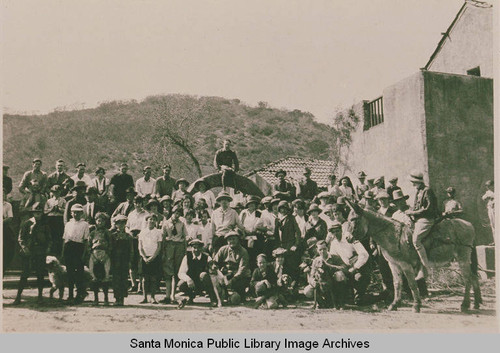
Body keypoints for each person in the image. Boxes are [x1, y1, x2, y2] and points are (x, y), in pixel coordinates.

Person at [13, 203, 51, 305]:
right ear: (33, 213)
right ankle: (18, 297)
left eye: (39, 213)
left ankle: (40, 297)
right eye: (36, 212)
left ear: (42, 213)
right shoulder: (27, 224)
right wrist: (24, 248)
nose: (38, 215)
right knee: (24, 274)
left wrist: (47, 248)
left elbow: (49, 239)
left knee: (40, 274)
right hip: (29, 252)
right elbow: (20, 238)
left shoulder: (44, 225)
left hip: (40, 252)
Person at [327, 220, 370, 305]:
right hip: (346, 269)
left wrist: (355, 267)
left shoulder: (349, 238)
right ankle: (349, 294)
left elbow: (364, 254)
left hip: (359, 268)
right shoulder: (334, 243)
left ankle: (380, 296)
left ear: (341, 230)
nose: (336, 233)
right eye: (333, 232)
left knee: (359, 300)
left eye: (337, 231)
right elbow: (334, 258)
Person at [405, 171, 438, 280]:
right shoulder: (419, 191)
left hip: (427, 219)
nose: (413, 184)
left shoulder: (427, 191)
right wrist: (410, 211)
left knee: (416, 240)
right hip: (419, 219)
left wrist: (413, 213)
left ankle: (426, 268)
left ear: (418, 182)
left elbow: (429, 208)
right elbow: (417, 206)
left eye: (414, 182)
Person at [62, 203, 90, 304]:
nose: (75, 215)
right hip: (69, 248)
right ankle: (70, 295)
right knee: (69, 273)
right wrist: (63, 252)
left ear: (81, 213)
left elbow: (86, 240)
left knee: (79, 273)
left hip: (79, 247)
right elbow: (65, 239)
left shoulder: (85, 224)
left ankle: (79, 294)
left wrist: (84, 254)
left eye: (78, 213)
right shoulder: (68, 224)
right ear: (71, 213)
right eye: (74, 213)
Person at [177, 238, 218, 307]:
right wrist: (188, 279)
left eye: (198, 247)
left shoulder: (207, 257)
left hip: (203, 283)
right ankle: (191, 297)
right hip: (192, 283)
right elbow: (181, 273)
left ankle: (213, 299)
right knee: (181, 284)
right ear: (191, 248)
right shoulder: (187, 257)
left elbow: (213, 269)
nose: (196, 250)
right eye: (194, 247)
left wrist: (212, 268)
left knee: (204, 275)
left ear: (202, 248)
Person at [213, 231, 251, 304]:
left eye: (234, 239)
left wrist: (232, 280)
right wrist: (218, 272)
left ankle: (240, 295)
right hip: (226, 274)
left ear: (238, 240)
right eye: (229, 239)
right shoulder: (223, 249)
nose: (231, 241)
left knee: (236, 297)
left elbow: (242, 269)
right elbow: (215, 262)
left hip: (239, 276)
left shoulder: (243, 251)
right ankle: (223, 295)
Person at [161, 204, 188, 304]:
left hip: (179, 246)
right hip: (169, 246)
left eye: (179, 213)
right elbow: (163, 238)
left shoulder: (182, 223)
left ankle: (173, 295)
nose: (177, 215)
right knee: (168, 270)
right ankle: (167, 295)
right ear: (172, 213)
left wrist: (185, 250)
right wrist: (163, 251)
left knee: (177, 271)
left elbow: (185, 237)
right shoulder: (166, 223)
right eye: (175, 213)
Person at [308, 240, 345, 309]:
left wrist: (329, 266)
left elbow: (343, 267)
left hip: (334, 282)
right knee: (307, 290)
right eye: (320, 249)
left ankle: (340, 302)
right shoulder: (316, 260)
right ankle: (321, 304)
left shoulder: (335, 257)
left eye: (324, 249)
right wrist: (313, 281)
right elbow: (311, 275)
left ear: (328, 248)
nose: (322, 251)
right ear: (317, 250)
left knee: (339, 275)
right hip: (321, 282)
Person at [88, 212, 112, 306]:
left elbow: (111, 245)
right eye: (98, 220)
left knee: (105, 276)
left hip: (104, 254)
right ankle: (96, 299)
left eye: (102, 221)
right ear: (96, 221)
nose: (100, 222)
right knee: (94, 276)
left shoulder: (107, 233)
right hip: (94, 254)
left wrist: (106, 255)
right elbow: (89, 245)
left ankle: (106, 299)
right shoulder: (92, 233)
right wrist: (92, 255)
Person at [138, 214, 163, 304]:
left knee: (153, 278)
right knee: (144, 279)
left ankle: (152, 297)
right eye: (150, 219)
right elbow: (140, 247)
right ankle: (144, 297)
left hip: (154, 257)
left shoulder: (158, 232)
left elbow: (159, 247)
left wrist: (153, 257)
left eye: (154, 219)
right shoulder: (142, 232)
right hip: (144, 257)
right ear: (147, 220)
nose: (152, 221)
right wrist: (144, 257)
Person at [126, 195, 148, 292]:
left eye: (139, 203)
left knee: (140, 262)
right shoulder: (131, 214)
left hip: (141, 238)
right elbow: (127, 226)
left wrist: (141, 234)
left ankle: (140, 286)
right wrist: (129, 233)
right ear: (134, 204)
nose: (137, 205)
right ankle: (133, 284)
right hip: (131, 238)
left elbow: (146, 227)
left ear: (142, 203)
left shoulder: (146, 214)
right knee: (132, 261)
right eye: (136, 203)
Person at [110, 215, 133, 306]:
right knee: (116, 279)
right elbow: (111, 248)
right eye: (119, 223)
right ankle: (116, 298)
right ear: (116, 225)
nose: (121, 225)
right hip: (115, 259)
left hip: (125, 259)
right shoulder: (113, 236)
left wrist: (130, 260)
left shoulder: (128, 236)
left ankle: (122, 298)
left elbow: (131, 250)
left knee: (123, 278)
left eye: (123, 223)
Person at [275, 201, 301, 280]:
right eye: (281, 209)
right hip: (281, 245)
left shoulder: (291, 218)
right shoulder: (277, 219)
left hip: (290, 244)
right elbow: (276, 234)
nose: (283, 211)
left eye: (285, 209)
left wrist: (296, 244)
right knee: (282, 265)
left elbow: (298, 232)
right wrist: (277, 246)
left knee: (291, 264)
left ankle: (293, 283)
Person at [239, 195, 263, 271]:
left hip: (255, 238)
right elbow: (239, 224)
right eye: (249, 204)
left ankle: (255, 272)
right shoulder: (243, 213)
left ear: (255, 205)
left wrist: (255, 230)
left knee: (254, 256)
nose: (251, 205)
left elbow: (261, 224)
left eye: (253, 203)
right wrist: (244, 230)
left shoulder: (259, 213)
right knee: (245, 256)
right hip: (244, 237)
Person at [44, 185, 66, 257]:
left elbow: (65, 211)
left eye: (58, 192)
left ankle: (58, 253)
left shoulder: (63, 200)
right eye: (54, 192)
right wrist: (51, 209)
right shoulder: (49, 201)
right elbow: (45, 211)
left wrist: (59, 209)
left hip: (59, 219)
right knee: (51, 235)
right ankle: (51, 252)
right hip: (51, 219)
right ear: (52, 192)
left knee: (59, 236)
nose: (56, 193)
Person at [3, 188, 15, 273]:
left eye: (3, 194)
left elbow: (10, 217)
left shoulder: (8, 205)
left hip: (4, 227)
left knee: (9, 245)